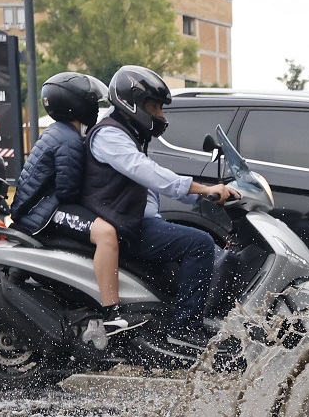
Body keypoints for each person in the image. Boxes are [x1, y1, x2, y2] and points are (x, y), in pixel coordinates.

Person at [83, 65, 236, 363]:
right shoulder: (110, 136)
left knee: (215, 250)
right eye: (153, 107)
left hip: (135, 220)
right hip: (124, 226)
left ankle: (186, 319)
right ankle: (183, 330)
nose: (160, 116)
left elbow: (146, 189)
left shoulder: (129, 134)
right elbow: (147, 173)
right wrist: (201, 189)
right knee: (200, 244)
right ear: (131, 103)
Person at [8, 72, 130, 350]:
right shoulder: (69, 140)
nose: (96, 110)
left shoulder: (61, 133)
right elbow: (67, 192)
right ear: (77, 104)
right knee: (106, 233)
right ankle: (113, 311)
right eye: (92, 103)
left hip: (39, 210)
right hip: (43, 214)